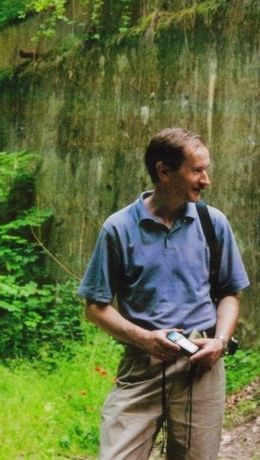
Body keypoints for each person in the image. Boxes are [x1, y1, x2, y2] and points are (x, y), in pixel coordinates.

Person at [78, 127, 250, 460]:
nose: (206, 179)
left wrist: (221, 341)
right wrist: (145, 339)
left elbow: (230, 293)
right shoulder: (119, 228)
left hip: (201, 366)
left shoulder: (213, 223)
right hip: (142, 365)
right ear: (164, 171)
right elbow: (95, 307)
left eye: (206, 169)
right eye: (197, 170)